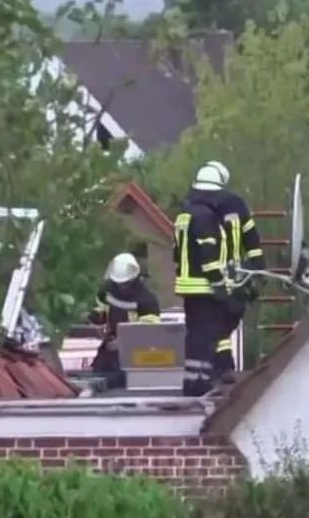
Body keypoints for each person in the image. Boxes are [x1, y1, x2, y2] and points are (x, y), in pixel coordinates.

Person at [198, 160, 263, 382]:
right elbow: (252, 240)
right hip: (232, 276)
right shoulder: (237, 205)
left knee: (218, 323)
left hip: (214, 275)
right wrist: (257, 269)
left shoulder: (199, 206)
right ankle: (222, 366)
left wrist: (256, 270)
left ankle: (219, 367)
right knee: (221, 322)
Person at [173, 164, 234, 397]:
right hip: (204, 286)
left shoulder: (185, 215)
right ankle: (200, 382)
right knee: (206, 336)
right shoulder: (205, 216)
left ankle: (192, 380)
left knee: (195, 334)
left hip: (188, 285)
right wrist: (219, 282)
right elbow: (208, 254)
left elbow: (177, 252)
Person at [88, 252, 161, 390]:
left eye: (125, 283)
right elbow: (102, 310)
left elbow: (150, 333)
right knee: (98, 370)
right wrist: (97, 321)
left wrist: (124, 343)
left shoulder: (147, 300)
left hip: (135, 351)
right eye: (118, 283)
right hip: (110, 346)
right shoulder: (107, 291)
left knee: (121, 376)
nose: (121, 286)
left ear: (134, 278)